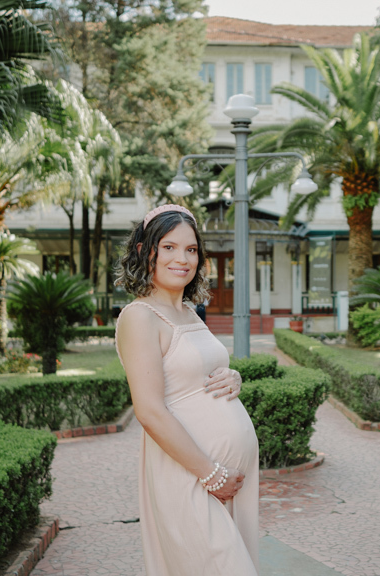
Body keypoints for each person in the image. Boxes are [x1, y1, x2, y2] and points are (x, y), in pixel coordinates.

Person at [114, 204, 259, 575]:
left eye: (191, 249)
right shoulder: (140, 317)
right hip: (189, 477)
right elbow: (149, 411)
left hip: (223, 480)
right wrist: (211, 474)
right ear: (146, 251)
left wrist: (233, 377)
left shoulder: (190, 312)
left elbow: (196, 374)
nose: (183, 258)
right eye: (169, 247)